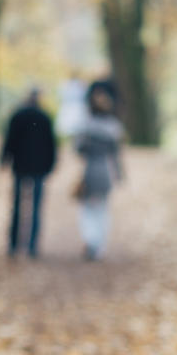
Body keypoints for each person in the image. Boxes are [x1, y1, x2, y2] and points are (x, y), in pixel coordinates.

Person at [0, 88, 57, 257]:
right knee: (36, 206)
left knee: (17, 205)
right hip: (39, 167)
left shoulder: (18, 116)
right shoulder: (44, 117)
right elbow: (51, 144)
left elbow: (9, 139)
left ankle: (13, 244)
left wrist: (4, 159)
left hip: (20, 166)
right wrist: (50, 164)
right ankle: (32, 245)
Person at [73, 79, 123, 260]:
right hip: (106, 172)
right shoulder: (114, 127)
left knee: (88, 208)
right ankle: (99, 244)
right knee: (103, 208)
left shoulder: (86, 126)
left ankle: (91, 240)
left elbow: (78, 149)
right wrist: (120, 176)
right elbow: (116, 155)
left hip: (90, 170)